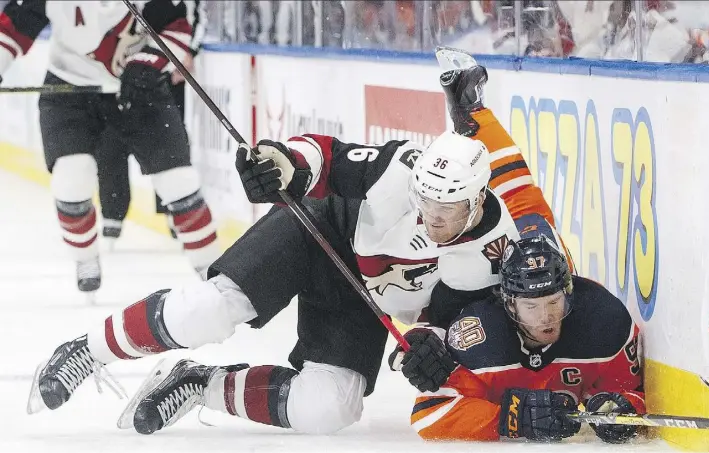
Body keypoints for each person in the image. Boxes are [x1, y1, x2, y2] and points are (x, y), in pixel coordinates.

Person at [26, 61, 561, 436]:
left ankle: (200, 385)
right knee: (212, 309)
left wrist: (429, 345)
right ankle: (87, 350)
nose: (427, 215)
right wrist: (282, 164)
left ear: (474, 204)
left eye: (444, 211)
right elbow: (325, 156)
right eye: (423, 200)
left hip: (365, 299)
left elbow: (450, 319)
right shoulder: (401, 167)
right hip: (322, 231)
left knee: (327, 410)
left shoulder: (495, 253)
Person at [0, 0, 220, 291]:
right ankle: (85, 258)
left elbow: (179, 27)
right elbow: (12, 29)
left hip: (139, 88)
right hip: (70, 90)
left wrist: (148, 64)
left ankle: (216, 273)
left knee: (179, 184)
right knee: (71, 180)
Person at [400, 219, 645, 443]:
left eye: (553, 301)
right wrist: (514, 419)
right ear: (509, 304)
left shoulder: (604, 319)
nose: (546, 316)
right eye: (531, 306)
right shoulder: (480, 336)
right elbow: (429, 414)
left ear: (569, 292)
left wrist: (622, 408)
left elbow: (632, 393)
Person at [97, 0, 208, 241]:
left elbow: (198, 15)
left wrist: (189, 51)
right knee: (111, 140)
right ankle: (112, 215)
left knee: (170, 137)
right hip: (119, 69)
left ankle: (173, 207)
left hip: (162, 70)